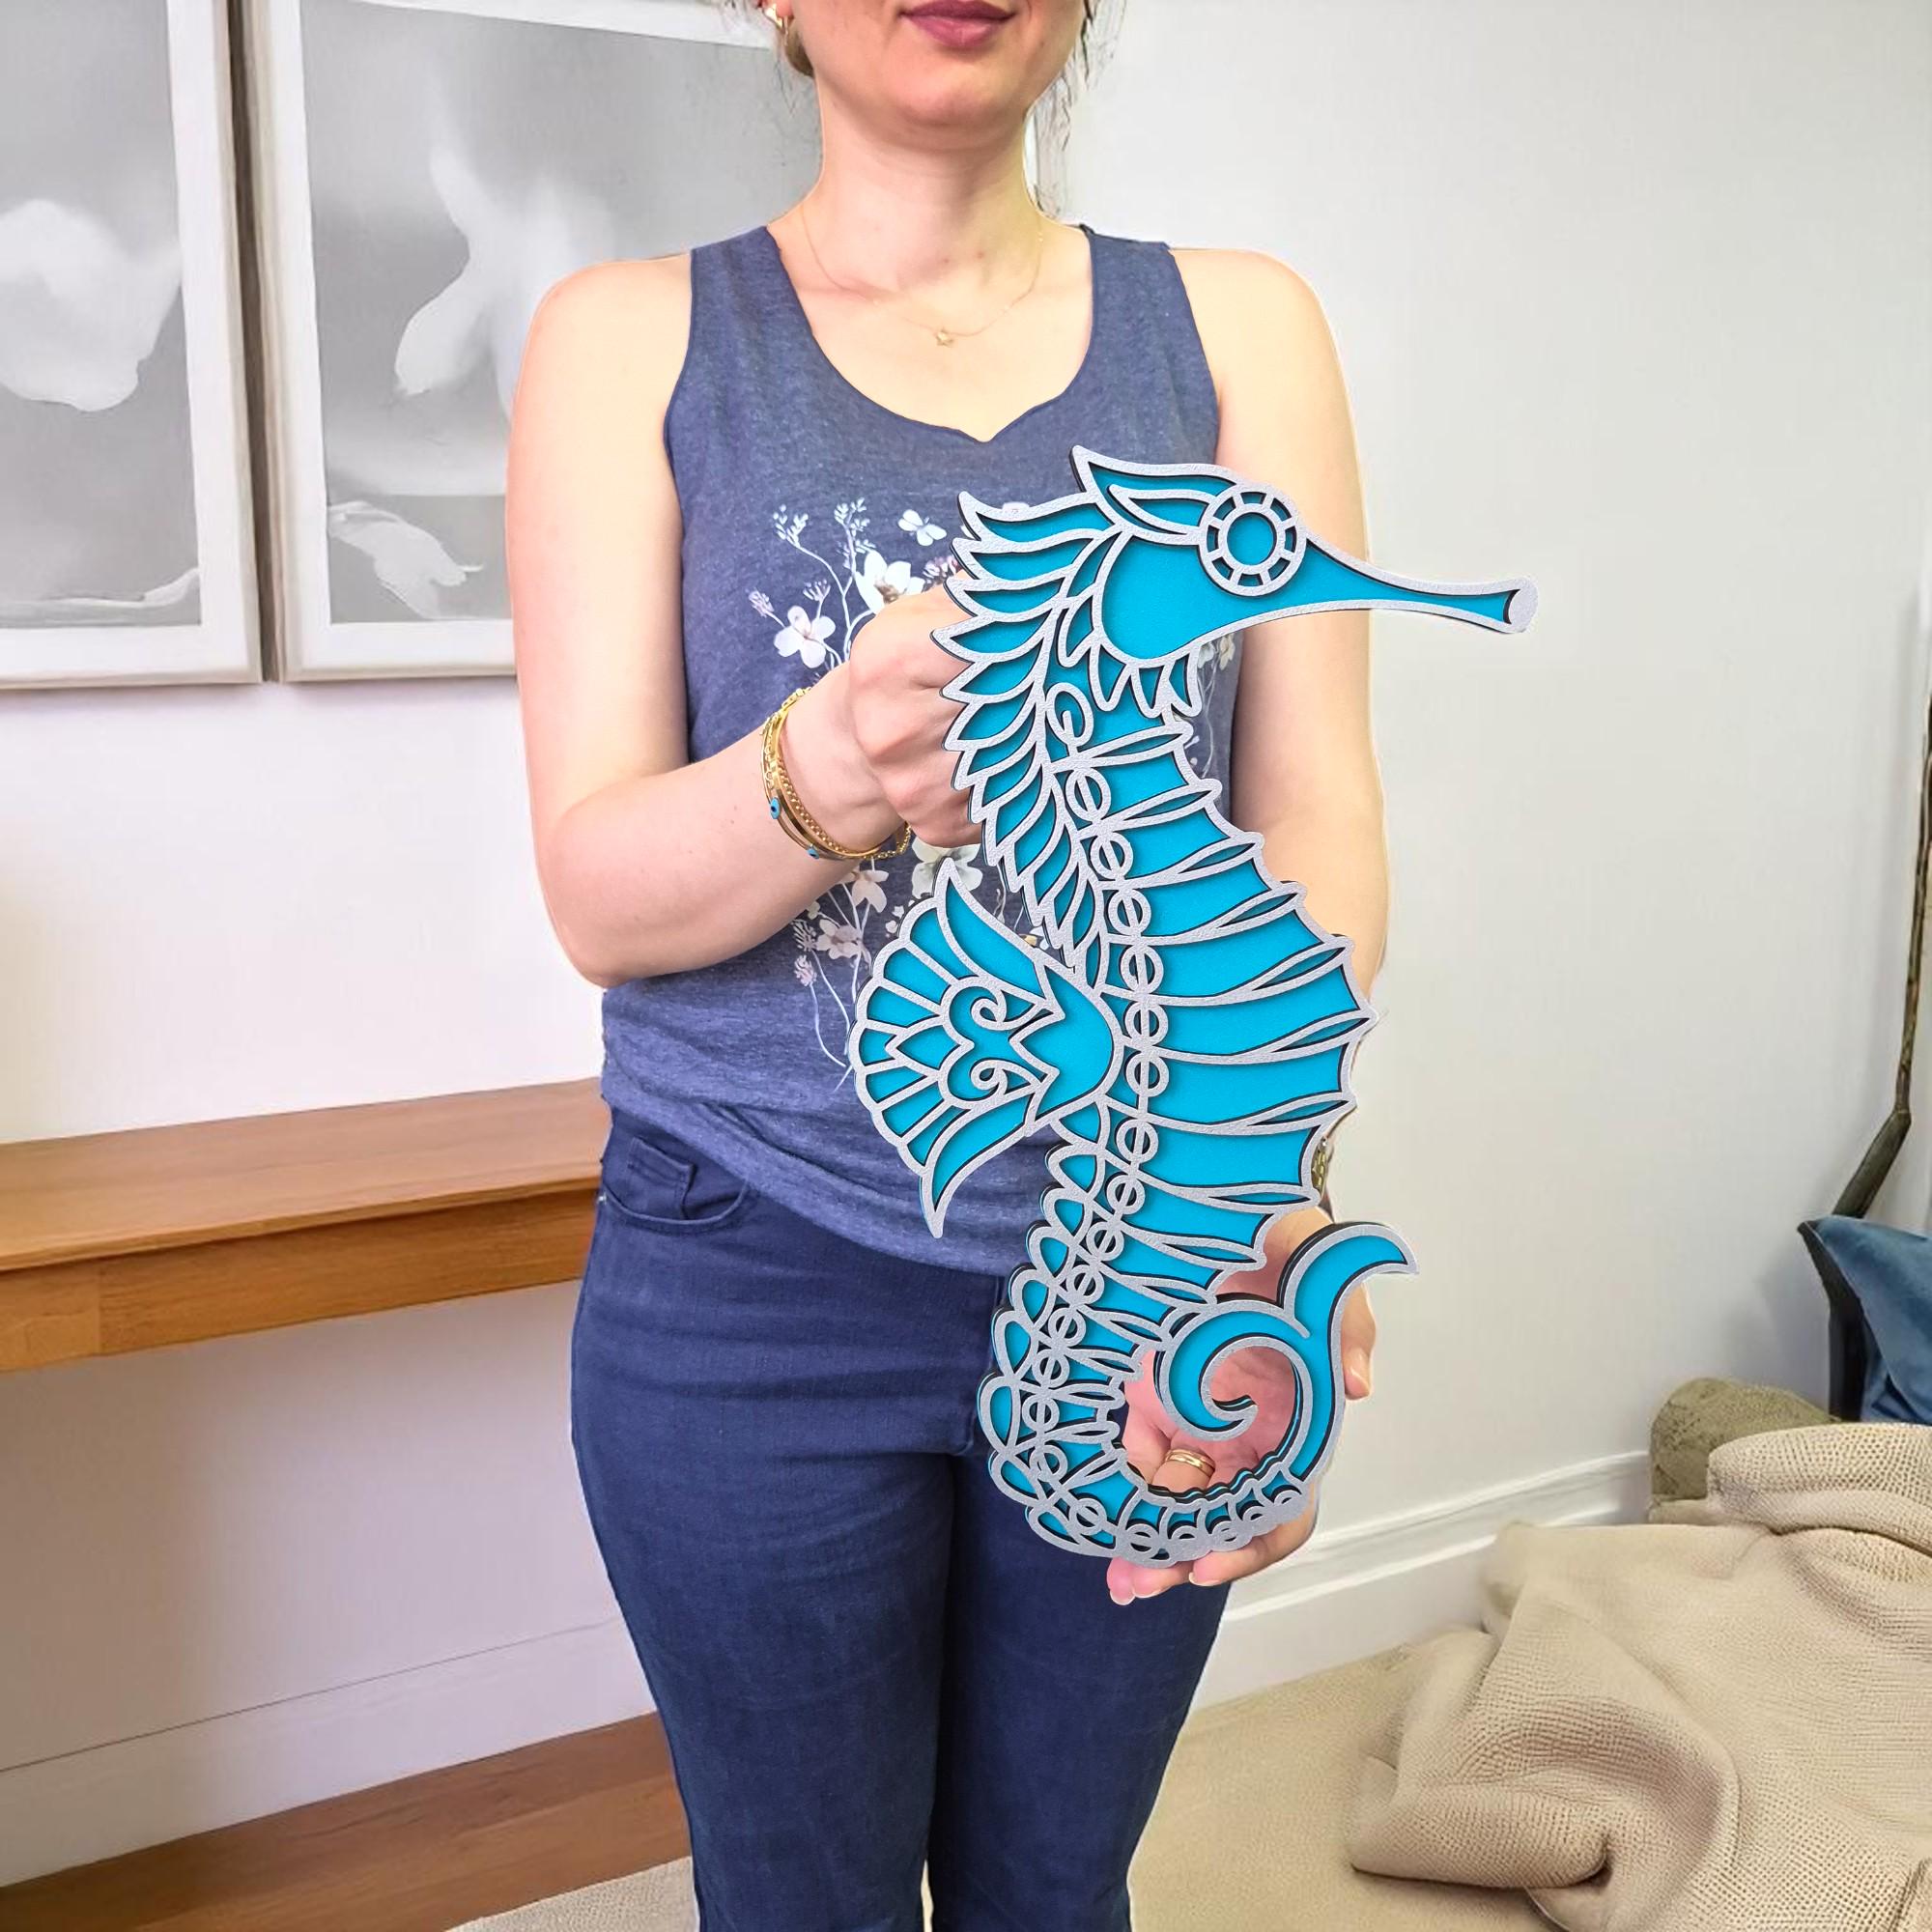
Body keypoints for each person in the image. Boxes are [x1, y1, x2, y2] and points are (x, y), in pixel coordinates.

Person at [505, 3, 1389, 1924]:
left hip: (1143, 1264)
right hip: (744, 1289)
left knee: (1054, 1891)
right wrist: (830, 762)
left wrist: (1258, 1204)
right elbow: (597, 896)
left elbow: (1314, 819)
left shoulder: (1243, 330)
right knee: (796, 1897)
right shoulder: (625, 339)